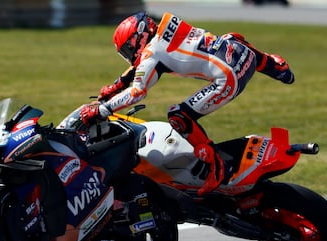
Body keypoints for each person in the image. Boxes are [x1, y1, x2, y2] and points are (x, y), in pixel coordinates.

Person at [80, 12, 294, 196]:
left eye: (128, 49)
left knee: (178, 115)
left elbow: (138, 91)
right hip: (246, 56)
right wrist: (117, 84)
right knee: (231, 38)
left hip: (230, 78)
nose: (129, 55)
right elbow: (143, 65)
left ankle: (216, 168)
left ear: (139, 37)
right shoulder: (169, 24)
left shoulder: (152, 54)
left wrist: (102, 109)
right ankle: (275, 66)